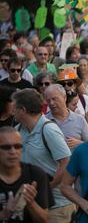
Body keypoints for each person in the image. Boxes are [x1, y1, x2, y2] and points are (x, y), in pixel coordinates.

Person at [11, 89, 74, 222]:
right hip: (31, 206)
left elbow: (67, 162)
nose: (12, 112)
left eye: (14, 108)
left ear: (22, 110)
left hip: (57, 206)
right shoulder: (17, 131)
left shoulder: (48, 129)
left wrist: (46, 189)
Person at [0, 126, 53, 222]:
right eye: (6, 147)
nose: (13, 152)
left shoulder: (36, 175)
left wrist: (31, 203)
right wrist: (5, 213)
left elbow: (45, 220)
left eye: (17, 146)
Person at [44, 84, 88, 151]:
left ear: (64, 98)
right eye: (48, 100)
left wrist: (80, 143)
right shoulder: (44, 121)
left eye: (54, 99)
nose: (51, 103)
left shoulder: (79, 119)